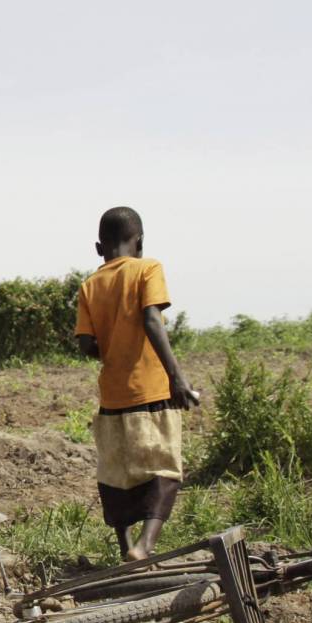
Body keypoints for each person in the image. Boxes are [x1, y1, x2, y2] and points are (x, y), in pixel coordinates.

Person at [74, 206, 200, 562]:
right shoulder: (148, 269)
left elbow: (86, 345)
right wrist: (177, 376)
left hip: (112, 397)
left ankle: (125, 546)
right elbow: (152, 319)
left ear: (99, 249)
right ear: (140, 241)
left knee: (117, 473)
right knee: (161, 467)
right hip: (152, 391)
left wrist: (111, 345)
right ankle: (145, 546)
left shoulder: (90, 285)